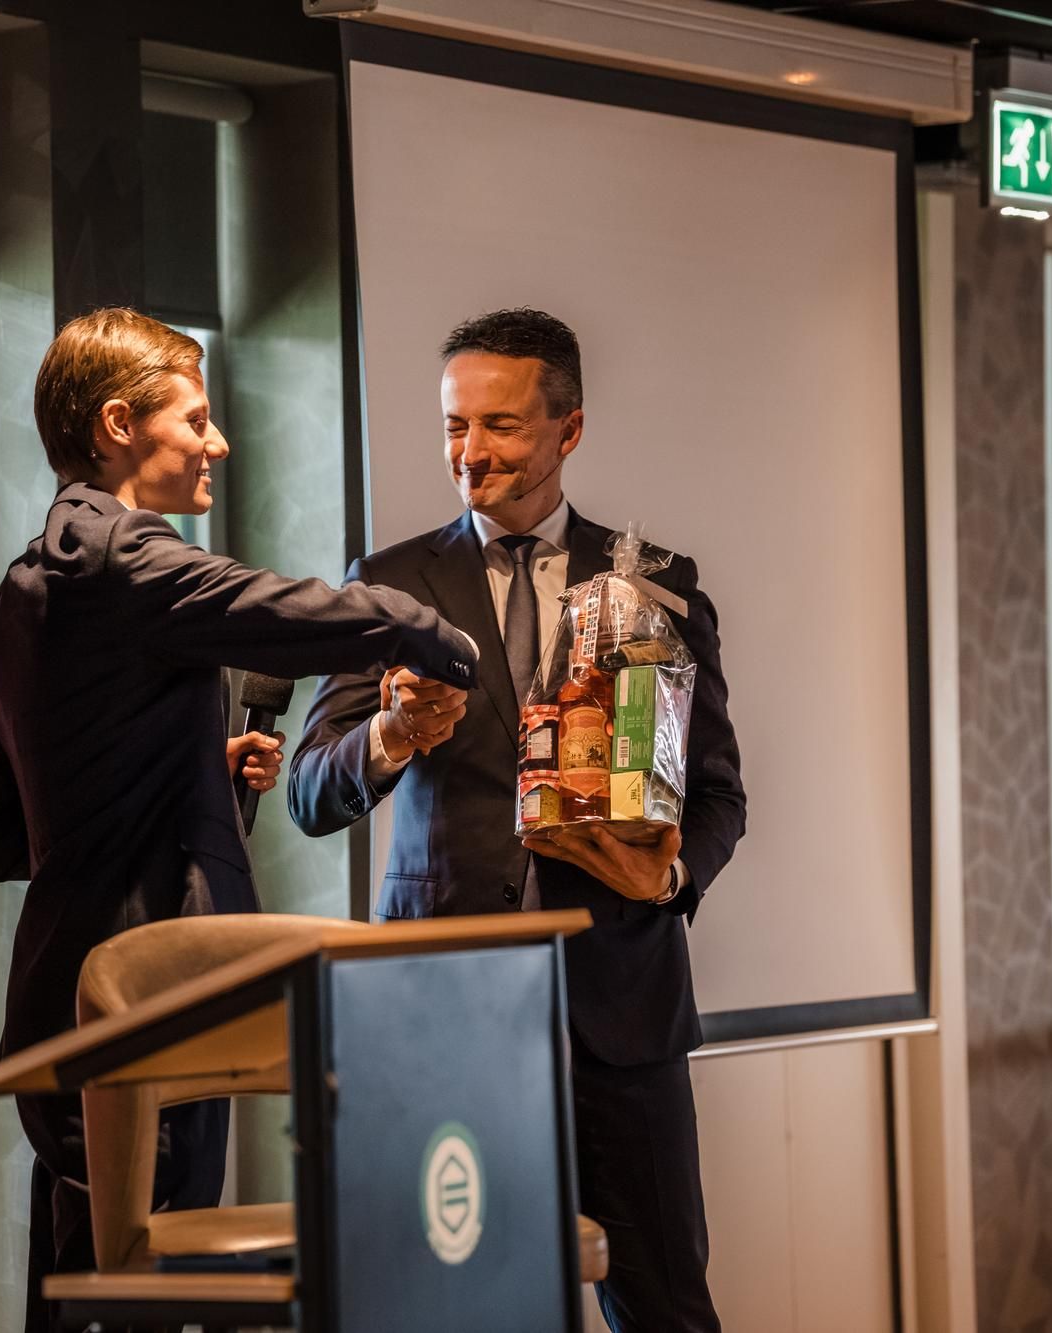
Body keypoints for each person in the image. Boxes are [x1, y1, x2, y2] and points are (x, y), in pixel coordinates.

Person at [0, 307, 477, 1332]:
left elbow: (3, 833)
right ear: (118, 424)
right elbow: (281, 612)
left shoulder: (29, 583)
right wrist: (436, 638)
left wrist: (197, 775)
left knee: (79, 1284)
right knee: (142, 1298)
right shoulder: (121, 554)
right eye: (195, 419)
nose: (218, 443)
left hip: (66, 989)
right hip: (147, 1001)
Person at [288, 307, 745, 1333]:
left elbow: (718, 795)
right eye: (454, 425)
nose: (470, 452)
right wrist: (391, 736)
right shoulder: (389, 585)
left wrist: (667, 878)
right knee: (457, 1312)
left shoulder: (655, 585)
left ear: (568, 429)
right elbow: (310, 792)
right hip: (442, 1019)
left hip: (621, 1014)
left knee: (666, 1309)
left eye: (499, 425)